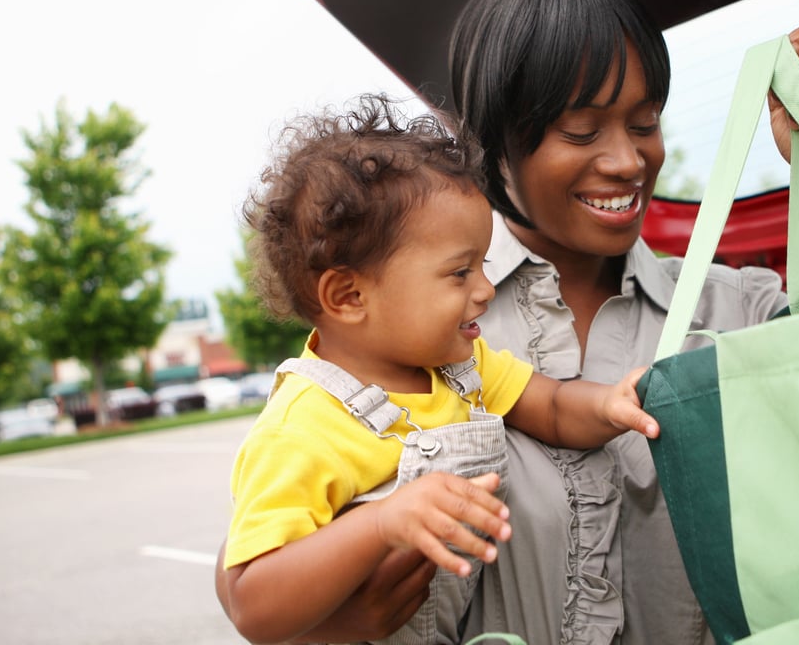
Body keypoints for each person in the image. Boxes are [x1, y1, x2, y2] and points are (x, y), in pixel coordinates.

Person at [216, 0, 799, 644]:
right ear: (493, 148)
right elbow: (252, 568)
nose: (626, 161)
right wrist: (325, 623)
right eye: (582, 131)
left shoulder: (731, 309)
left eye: (644, 124)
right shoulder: (408, 328)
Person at [218, 95, 661, 645]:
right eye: (459, 272)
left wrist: (608, 404)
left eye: (481, 264)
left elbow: (548, 405)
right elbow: (250, 603)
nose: (483, 290)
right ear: (349, 295)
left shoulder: (458, 370)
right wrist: (380, 523)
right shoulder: (303, 427)